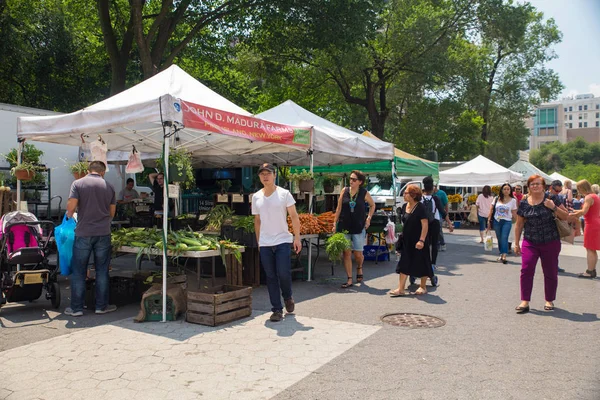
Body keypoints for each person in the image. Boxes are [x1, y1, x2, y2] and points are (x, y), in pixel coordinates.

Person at [64, 161, 117, 317]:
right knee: (102, 271)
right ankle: (101, 306)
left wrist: (70, 214)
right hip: (103, 233)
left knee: (79, 271)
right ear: (103, 172)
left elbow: (71, 207)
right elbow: (112, 212)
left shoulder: (78, 183)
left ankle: (76, 309)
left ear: (88, 170)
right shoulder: (109, 186)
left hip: (83, 233)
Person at [252, 163, 302, 322]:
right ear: (259, 177)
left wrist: (297, 237)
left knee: (283, 273)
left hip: (282, 240)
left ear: (274, 175)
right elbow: (257, 220)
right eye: (262, 174)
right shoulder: (256, 197)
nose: (265, 176)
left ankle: (287, 296)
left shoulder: (284, 194)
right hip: (265, 242)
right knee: (271, 276)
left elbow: (294, 216)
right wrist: (259, 241)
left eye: (268, 173)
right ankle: (276, 309)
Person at [514, 174, 568, 314]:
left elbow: (566, 216)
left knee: (550, 271)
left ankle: (549, 299)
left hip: (550, 241)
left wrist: (553, 207)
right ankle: (525, 301)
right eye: (532, 184)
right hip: (530, 241)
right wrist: (516, 243)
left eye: (538, 184)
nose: (535, 186)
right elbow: (519, 224)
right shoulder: (525, 202)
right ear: (529, 187)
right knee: (526, 269)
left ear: (543, 186)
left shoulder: (552, 199)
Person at [333, 170, 375, 288]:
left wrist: (368, 218)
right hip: (344, 226)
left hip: (358, 226)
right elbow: (339, 207)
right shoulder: (344, 191)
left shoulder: (364, 193)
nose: (351, 181)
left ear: (360, 182)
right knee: (346, 253)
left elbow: (372, 205)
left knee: (358, 254)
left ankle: (359, 267)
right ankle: (349, 279)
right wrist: (334, 223)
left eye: (354, 179)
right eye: (350, 179)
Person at [389, 185, 431, 297]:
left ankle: (423, 286)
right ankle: (400, 289)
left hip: (419, 239)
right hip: (407, 239)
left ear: (413, 195)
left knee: (422, 262)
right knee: (404, 262)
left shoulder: (420, 207)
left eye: (406, 192)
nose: (404, 194)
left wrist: (421, 240)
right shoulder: (404, 206)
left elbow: (425, 225)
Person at [570, 180, 600, 279]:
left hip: (591, 224)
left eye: (579, 188)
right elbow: (590, 210)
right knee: (593, 249)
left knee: (590, 249)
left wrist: (572, 214)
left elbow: (584, 211)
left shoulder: (588, 197)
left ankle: (590, 271)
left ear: (582, 188)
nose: (578, 190)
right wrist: (576, 211)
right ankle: (592, 270)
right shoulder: (595, 196)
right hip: (596, 222)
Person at [418, 176, 445, 286]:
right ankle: (432, 264)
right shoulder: (435, 198)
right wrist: (449, 222)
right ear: (433, 187)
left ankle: (421, 264)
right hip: (434, 223)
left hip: (422, 224)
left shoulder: (420, 198)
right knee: (434, 244)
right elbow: (442, 211)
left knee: (423, 243)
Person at [487, 183, 517, 264]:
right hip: (497, 221)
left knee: (504, 237)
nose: (506, 191)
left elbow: (514, 212)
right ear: (502, 190)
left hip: (507, 221)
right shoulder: (496, 198)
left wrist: (518, 222)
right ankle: (501, 253)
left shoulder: (513, 200)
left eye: (508, 189)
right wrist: (489, 219)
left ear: (510, 190)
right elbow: (491, 209)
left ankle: (504, 254)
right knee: (499, 238)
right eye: (504, 189)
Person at [433, 184, 453, 251]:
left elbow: (446, 203)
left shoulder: (442, 193)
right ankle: (437, 244)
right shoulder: (430, 194)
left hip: (440, 214)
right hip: (432, 215)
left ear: (435, 187)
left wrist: (446, 213)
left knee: (439, 230)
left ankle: (442, 243)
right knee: (434, 230)